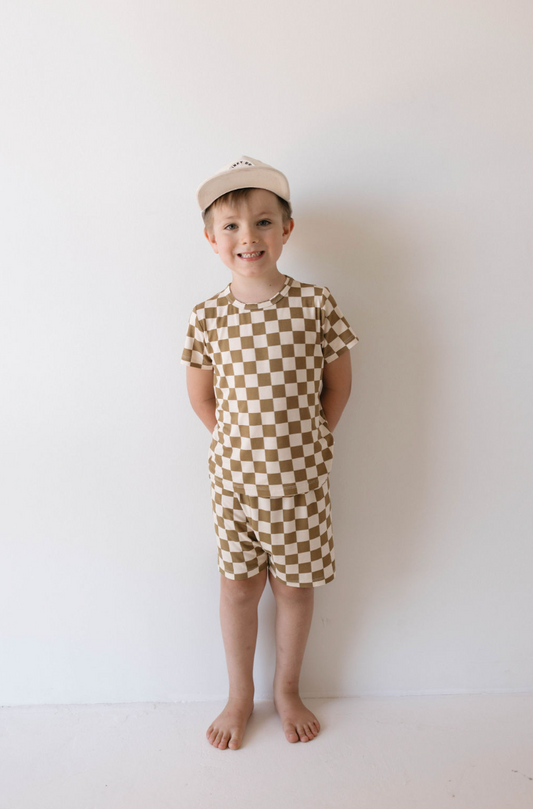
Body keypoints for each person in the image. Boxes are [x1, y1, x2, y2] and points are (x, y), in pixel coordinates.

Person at [181, 156, 359, 750]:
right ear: (211, 239)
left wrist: (312, 442)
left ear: (286, 230)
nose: (247, 237)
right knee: (237, 587)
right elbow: (201, 397)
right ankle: (239, 696)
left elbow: (339, 384)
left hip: (301, 483)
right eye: (230, 226)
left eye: (262, 222)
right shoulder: (207, 317)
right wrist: (238, 443)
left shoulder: (315, 304)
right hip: (234, 483)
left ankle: (287, 690)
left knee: (295, 588)